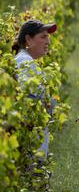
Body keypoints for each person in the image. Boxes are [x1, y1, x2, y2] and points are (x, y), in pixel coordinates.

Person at [11, 19, 57, 156]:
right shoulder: (24, 62)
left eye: (47, 37)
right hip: (31, 147)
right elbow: (32, 100)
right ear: (28, 40)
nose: (48, 42)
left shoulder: (26, 60)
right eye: (43, 37)